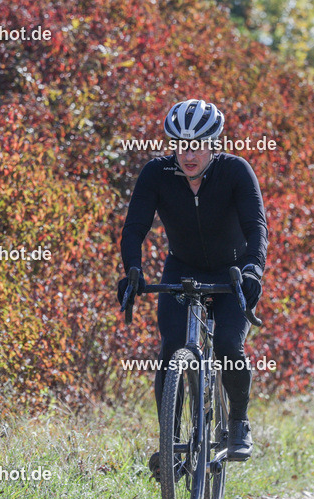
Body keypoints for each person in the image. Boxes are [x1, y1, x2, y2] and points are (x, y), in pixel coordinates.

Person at [117, 99, 268, 466]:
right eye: (181, 145)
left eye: (197, 145)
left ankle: (238, 423)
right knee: (170, 352)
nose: (188, 154)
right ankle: (169, 446)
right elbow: (134, 227)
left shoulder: (236, 171)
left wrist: (253, 270)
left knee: (230, 345)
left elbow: (256, 228)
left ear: (214, 143)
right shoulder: (157, 173)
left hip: (231, 273)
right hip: (182, 270)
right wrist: (132, 270)